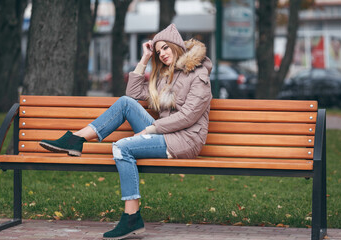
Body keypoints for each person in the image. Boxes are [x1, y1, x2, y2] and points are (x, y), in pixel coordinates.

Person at [40, 24, 212, 240]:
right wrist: (145, 58)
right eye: (159, 52)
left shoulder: (198, 74)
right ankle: (77, 139)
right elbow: (132, 93)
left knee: (121, 147)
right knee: (125, 103)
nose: (163, 54)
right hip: (165, 134)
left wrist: (151, 129)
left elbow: (189, 116)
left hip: (185, 140)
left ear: (177, 46)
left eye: (166, 48)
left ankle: (132, 217)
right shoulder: (167, 76)